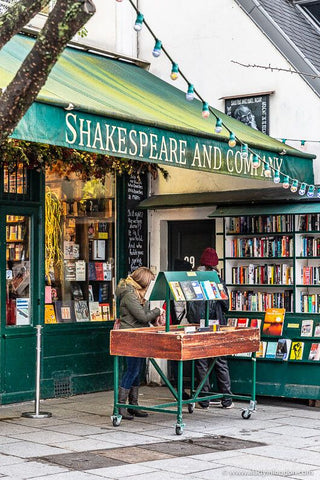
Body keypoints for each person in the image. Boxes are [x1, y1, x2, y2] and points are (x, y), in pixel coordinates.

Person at [186, 247, 233, 409]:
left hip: (198, 326)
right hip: (216, 326)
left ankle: (204, 400)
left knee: (201, 362)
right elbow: (226, 305)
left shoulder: (193, 279)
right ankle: (226, 399)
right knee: (220, 361)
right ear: (214, 265)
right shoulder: (217, 281)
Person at [115, 266, 164, 420]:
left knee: (137, 371)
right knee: (132, 370)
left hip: (139, 335)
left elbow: (143, 318)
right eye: (149, 282)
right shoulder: (129, 294)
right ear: (143, 282)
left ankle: (133, 405)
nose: (151, 286)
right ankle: (121, 407)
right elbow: (142, 317)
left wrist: (154, 318)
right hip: (130, 336)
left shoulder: (137, 293)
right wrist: (157, 311)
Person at [168, 258, 193, 400]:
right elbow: (182, 309)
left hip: (175, 326)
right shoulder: (183, 287)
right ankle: (181, 390)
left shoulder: (170, 285)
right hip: (182, 327)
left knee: (177, 360)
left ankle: (180, 389)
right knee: (180, 359)